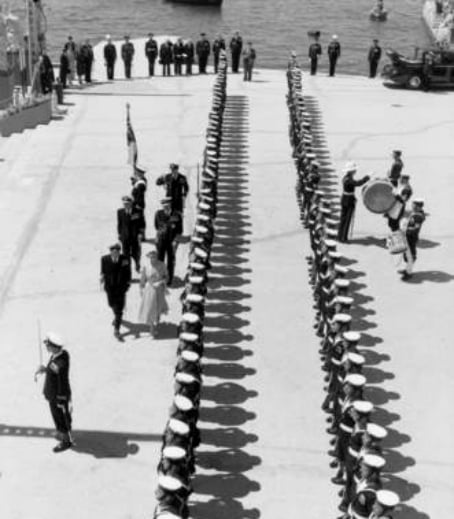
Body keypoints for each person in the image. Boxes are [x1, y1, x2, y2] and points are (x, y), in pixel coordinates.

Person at [35, 332, 73, 452]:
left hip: (58, 396)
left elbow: (61, 381)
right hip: (52, 394)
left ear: (55, 347)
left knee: (61, 418)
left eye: (48, 345)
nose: (46, 347)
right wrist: (45, 369)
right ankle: (61, 433)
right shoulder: (60, 355)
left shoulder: (60, 364)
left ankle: (66, 441)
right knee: (56, 415)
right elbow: (52, 369)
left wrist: (61, 400)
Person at [100, 243, 132, 337]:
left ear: (119, 252)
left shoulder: (124, 259)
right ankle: (117, 316)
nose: (115, 254)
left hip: (121, 288)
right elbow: (103, 271)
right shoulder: (104, 259)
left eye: (117, 252)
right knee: (111, 304)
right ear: (110, 252)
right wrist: (102, 277)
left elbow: (128, 272)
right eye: (113, 252)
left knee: (119, 309)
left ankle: (116, 329)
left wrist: (127, 285)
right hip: (109, 287)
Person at [138, 250, 169, 337]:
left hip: (159, 288)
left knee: (158, 307)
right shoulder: (146, 266)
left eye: (154, 257)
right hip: (150, 289)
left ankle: (157, 318)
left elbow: (166, 276)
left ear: (157, 257)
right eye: (151, 257)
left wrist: (162, 282)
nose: (152, 259)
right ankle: (152, 329)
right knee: (150, 308)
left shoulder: (162, 265)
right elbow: (143, 278)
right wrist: (141, 287)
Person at [337, 162, 370, 243]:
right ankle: (343, 238)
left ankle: (339, 236)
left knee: (343, 218)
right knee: (347, 219)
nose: (355, 171)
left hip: (345, 198)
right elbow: (358, 183)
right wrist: (367, 177)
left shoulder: (346, 178)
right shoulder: (349, 179)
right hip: (349, 200)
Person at [154, 199, 182, 286]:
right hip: (161, 240)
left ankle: (169, 279)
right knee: (160, 260)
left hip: (172, 242)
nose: (166, 207)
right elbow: (156, 226)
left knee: (171, 261)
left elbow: (180, 230)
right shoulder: (158, 214)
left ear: (170, 205)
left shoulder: (177, 215)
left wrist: (176, 240)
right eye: (164, 206)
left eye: (167, 205)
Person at [117, 195, 145, 272]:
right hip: (125, 237)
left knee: (135, 254)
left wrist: (140, 234)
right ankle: (128, 275)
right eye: (124, 203)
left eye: (127, 203)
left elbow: (142, 224)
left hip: (135, 237)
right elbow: (119, 224)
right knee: (126, 256)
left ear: (131, 203)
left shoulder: (138, 211)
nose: (125, 205)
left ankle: (137, 263)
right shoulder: (120, 212)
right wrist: (119, 235)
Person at [400, 199, 426, 281]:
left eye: (414, 206)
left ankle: (408, 273)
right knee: (406, 254)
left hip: (411, 237)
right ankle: (407, 268)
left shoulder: (418, 216)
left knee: (410, 255)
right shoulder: (415, 213)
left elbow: (416, 228)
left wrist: (406, 230)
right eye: (412, 205)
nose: (412, 207)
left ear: (418, 207)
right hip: (407, 236)